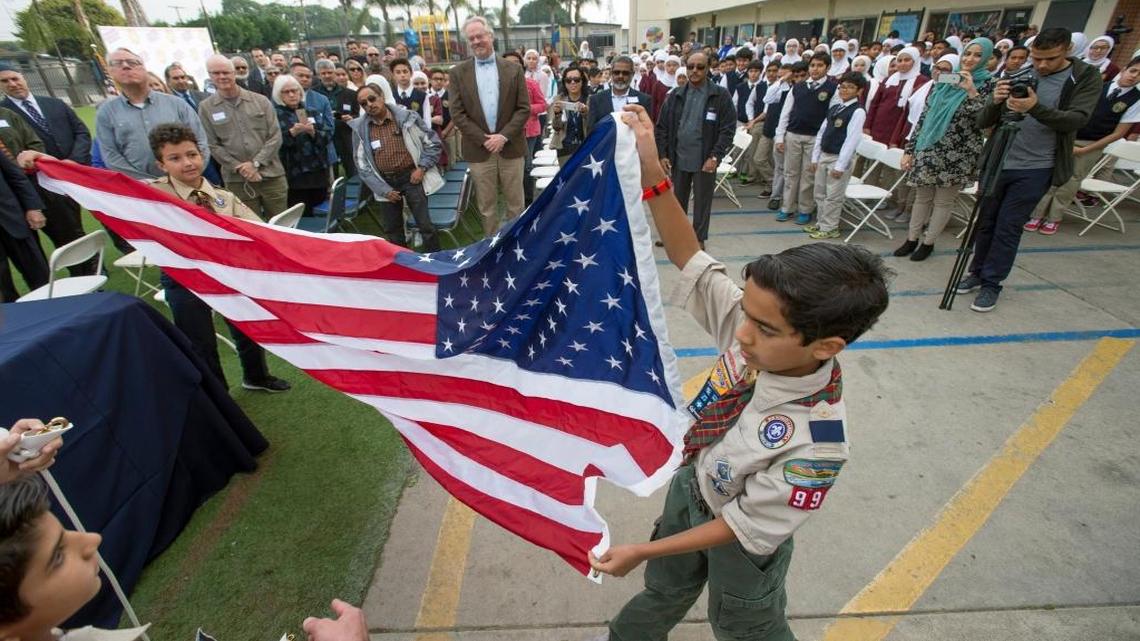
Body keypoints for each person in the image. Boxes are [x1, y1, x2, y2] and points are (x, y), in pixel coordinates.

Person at [590, 102, 891, 641]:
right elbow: (691, 258)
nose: (742, 335)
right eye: (746, 315)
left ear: (826, 345)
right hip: (694, 485)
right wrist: (654, 171)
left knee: (745, 624)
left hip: (741, 538)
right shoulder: (756, 330)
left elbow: (743, 525)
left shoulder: (815, 444)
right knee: (664, 589)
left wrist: (642, 549)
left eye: (766, 329)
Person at [961, 27, 1102, 312]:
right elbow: (983, 121)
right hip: (1000, 159)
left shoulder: (1084, 77)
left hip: (1037, 166)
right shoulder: (1020, 72)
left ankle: (992, 283)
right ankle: (976, 273)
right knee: (985, 222)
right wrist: (996, 101)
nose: (1041, 65)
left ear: (1067, 50)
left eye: (1050, 59)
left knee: (1008, 227)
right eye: (1036, 58)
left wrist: (1035, 107)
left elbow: (1075, 120)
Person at [146, 123, 291, 392]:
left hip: (228, 273)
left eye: (192, 154)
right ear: (161, 165)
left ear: (201, 155)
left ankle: (256, 376)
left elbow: (257, 230)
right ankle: (219, 392)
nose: (187, 163)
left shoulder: (222, 197)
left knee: (247, 326)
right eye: (175, 158)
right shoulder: (152, 197)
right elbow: (105, 190)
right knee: (200, 341)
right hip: (184, 277)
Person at [897, 39, 995, 261]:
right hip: (929, 148)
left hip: (959, 154)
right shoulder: (944, 81)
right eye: (967, 54)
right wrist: (910, 149)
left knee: (943, 201)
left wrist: (971, 91)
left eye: (977, 55)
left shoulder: (989, 85)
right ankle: (911, 239)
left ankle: (928, 242)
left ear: (987, 58)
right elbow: (924, 117)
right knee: (922, 197)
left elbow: (984, 121)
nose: (970, 59)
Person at [1027, 55, 1140, 235]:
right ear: (1124, 69)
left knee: (1071, 180)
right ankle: (1036, 214)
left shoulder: (1135, 99)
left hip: (1092, 144)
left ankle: (1053, 217)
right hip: (1069, 136)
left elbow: (1118, 133)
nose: (1134, 76)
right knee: (1049, 174)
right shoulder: (1099, 87)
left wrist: (1086, 149)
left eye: (1139, 74)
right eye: (1133, 70)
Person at [0, 63, 94, 277]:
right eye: (5, 81)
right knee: (63, 236)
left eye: (15, 78)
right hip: (39, 186)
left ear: (23, 77)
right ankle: (78, 278)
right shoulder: (6, 114)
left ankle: (94, 273)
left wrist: (72, 162)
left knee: (76, 231)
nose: (13, 84)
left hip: (72, 173)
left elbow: (81, 132)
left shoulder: (54, 104)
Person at [448, 16, 531, 236]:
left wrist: (503, 136)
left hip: (511, 148)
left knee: (516, 205)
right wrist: (485, 139)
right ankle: (491, 250)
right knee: (487, 207)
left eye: (480, 36)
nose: (476, 41)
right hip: (479, 150)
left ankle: (517, 246)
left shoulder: (513, 69)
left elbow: (523, 108)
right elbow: (457, 113)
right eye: (471, 38)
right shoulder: (457, 73)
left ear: (490, 36)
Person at [655, 52, 736, 249]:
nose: (694, 71)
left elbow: (728, 129)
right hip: (679, 157)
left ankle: (698, 238)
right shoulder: (676, 95)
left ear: (708, 68)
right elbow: (662, 127)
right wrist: (663, 154)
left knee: (702, 201)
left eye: (700, 67)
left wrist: (715, 155)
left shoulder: (720, 95)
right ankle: (677, 235)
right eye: (691, 66)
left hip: (704, 159)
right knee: (677, 201)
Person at [351, 82, 442, 251]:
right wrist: (383, 190)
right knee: (393, 230)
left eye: (372, 99)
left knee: (425, 226)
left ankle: (435, 264)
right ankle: (403, 267)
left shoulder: (408, 117)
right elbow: (361, 165)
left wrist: (421, 168)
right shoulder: (359, 129)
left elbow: (434, 144)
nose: (369, 105)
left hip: (412, 178)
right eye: (364, 103)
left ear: (382, 97)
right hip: (385, 183)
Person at [95, 48, 209, 181]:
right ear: (110, 71)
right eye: (118, 63)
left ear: (144, 68)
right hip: (142, 191)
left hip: (185, 183)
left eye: (132, 62)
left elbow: (201, 142)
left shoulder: (177, 104)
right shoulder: (106, 112)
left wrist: (186, 176)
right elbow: (111, 156)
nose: (125, 66)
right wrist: (148, 184)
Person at [198, 54, 287, 219]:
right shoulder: (206, 108)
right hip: (237, 180)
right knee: (251, 227)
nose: (222, 77)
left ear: (233, 73)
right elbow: (211, 144)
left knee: (281, 224)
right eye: (216, 73)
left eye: (226, 72)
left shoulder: (261, 101)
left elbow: (275, 136)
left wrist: (256, 163)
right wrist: (241, 167)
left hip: (271, 175)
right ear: (209, 76)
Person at [775, 52, 837, 225]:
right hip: (793, 135)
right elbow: (785, 113)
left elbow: (830, 118)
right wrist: (780, 136)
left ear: (828, 67)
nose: (815, 69)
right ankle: (787, 207)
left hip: (814, 138)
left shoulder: (832, 89)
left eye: (819, 65)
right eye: (812, 65)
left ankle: (805, 209)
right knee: (790, 173)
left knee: (808, 176)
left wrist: (821, 142)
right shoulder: (799, 87)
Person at [804, 71, 868, 239]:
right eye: (843, 87)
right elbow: (822, 132)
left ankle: (830, 227)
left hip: (838, 158)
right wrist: (815, 157)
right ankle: (820, 223)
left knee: (833, 196)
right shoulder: (835, 107)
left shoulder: (857, 111)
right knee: (820, 193)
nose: (845, 90)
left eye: (850, 87)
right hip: (824, 155)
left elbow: (851, 140)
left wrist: (840, 166)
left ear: (859, 91)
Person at [273, 75, 332, 215]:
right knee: (301, 211)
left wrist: (313, 133)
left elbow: (327, 136)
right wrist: (292, 133)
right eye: (286, 92)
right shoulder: (275, 114)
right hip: (294, 173)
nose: (292, 95)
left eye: (295, 90)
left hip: (317, 170)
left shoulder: (311, 111)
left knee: (319, 207)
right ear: (278, 95)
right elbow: (273, 143)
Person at [0, 150, 48, 302]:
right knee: (4, 290)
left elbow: (15, 175)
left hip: (12, 218)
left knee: (39, 275)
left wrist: (33, 207)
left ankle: (54, 308)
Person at [292, 62, 340, 177]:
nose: (304, 79)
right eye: (300, 76)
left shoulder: (322, 99)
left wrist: (314, 132)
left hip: (322, 155)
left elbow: (330, 128)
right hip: (295, 159)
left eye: (308, 76)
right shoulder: (280, 101)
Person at [314, 59, 359, 178]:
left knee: (352, 171)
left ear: (335, 73)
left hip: (346, 137)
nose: (327, 76)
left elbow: (357, 115)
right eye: (323, 73)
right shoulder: (313, 94)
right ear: (318, 75)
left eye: (330, 72)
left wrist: (351, 118)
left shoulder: (350, 94)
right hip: (325, 139)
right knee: (330, 174)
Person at [589, 55, 653, 130]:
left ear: (632, 74)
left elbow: (647, 129)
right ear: (611, 73)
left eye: (625, 73)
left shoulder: (644, 100)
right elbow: (592, 131)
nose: (620, 76)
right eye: (616, 72)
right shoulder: (596, 100)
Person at [548, 66, 591, 165]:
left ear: (582, 81)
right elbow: (556, 127)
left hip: (585, 146)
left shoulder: (590, 99)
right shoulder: (558, 99)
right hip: (565, 147)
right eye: (568, 80)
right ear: (564, 82)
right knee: (566, 179)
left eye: (576, 80)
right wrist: (557, 114)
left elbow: (594, 125)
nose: (572, 83)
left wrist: (585, 112)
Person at [733, 60, 765, 184]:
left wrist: (753, 120)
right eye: (751, 71)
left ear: (761, 72)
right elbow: (735, 103)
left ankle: (746, 173)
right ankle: (735, 169)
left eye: (756, 71)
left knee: (750, 150)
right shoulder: (741, 87)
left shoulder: (763, 87)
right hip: (741, 121)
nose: (753, 74)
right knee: (738, 147)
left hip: (756, 122)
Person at [390, 58, 431, 124]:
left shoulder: (422, 96)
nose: (402, 75)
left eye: (405, 71)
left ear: (411, 73)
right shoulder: (391, 96)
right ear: (393, 75)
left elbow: (427, 121)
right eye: (398, 72)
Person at [427, 68, 454, 166]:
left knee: (449, 162)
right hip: (430, 134)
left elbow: (454, 116)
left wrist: (445, 131)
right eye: (435, 79)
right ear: (430, 80)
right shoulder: (426, 95)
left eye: (441, 79)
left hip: (447, 133)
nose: (438, 81)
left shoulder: (451, 95)